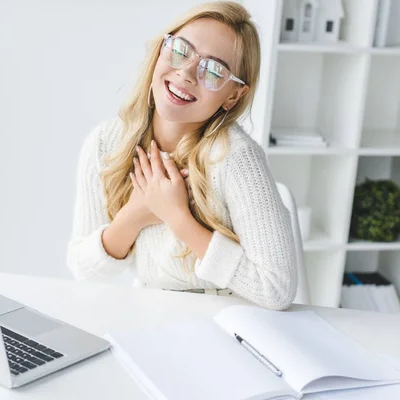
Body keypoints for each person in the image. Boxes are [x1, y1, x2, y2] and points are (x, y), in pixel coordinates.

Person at [67, 1, 297, 310]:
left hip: (227, 319)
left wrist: (177, 217)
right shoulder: (107, 143)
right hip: (150, 312)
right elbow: (83, 269)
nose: (186, 72)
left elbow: (277, 289)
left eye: (214, 70)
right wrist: (136, 214)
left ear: (233, 95)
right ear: (161, 48)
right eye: (180, 50)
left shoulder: (235, 158)